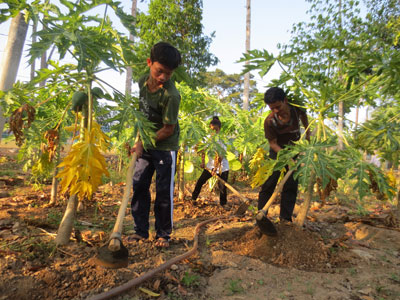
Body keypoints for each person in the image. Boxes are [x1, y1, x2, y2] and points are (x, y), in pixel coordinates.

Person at [130, 42, 182, 248]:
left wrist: (145, 142)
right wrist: (138, 141)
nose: (163, 78)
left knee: (163, 191)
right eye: (160, 71)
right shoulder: (142, 82)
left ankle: (163, 234)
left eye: (168, 74)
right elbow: (142, 115)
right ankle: (140, 231)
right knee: (139, 184)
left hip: (165, 147)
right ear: (149, 63)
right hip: (145, 143)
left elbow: (168, 129)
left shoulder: (171, 95)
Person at [258, 87, 310, 230]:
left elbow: (304, 116)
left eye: (278, 107)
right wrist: (286, 158)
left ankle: (285, 219)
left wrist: (308, 132)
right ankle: (261, 216)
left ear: (285, 100)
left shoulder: (296, 110)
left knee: (291, 184)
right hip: (278, 152)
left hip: (294, 149)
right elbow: (273, 144)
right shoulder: (270, 121)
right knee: (270, 182)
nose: (275, 111)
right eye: (272, 108)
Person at [191, 116, 230, 207]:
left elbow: (220, 156)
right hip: (210, 166)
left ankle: (223, 204)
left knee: (222, 187)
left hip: (222, 167)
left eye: (215, 130)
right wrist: (203, 162)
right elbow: (203, 151)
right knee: (200, 182)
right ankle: (193, 198)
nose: (213, 132)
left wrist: (216, 168)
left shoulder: (222, 140)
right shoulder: (207, 138)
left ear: (219, 129)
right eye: (212, 129)